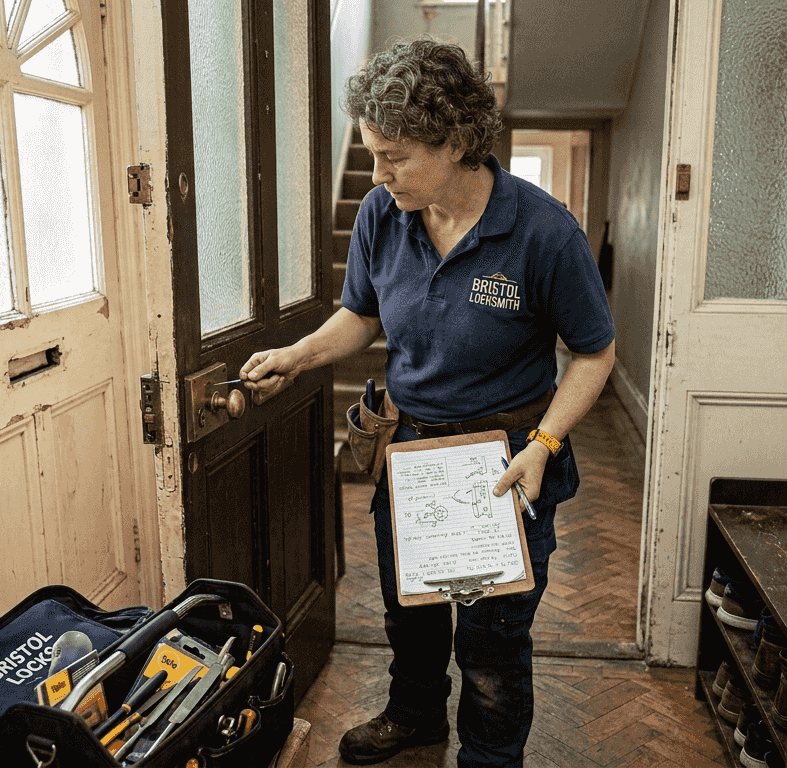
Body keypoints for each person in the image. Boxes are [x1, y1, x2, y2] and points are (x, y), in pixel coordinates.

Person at [239, 39, 615, 768]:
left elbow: (594, 354)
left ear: (457, 142)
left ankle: (489, 756)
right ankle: (414, 716)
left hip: (507, 462)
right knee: (411, 611)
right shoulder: (385, 214)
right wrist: (297, 355)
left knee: (490, 636)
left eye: (396, 155)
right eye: (373, 154)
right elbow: (362, 316)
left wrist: (544, 444)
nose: (378, 175)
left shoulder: (543, 232)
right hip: (410, 452)